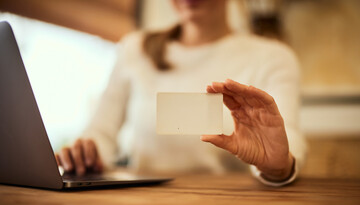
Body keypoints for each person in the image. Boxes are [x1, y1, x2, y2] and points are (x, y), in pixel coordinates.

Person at [55, 0, 307, 186]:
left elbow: (285, 139)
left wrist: (278, 167)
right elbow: (100, 133)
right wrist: (84, 155)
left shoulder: (273, 58)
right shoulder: (134, 49)